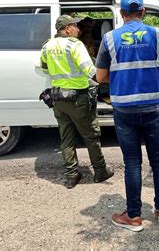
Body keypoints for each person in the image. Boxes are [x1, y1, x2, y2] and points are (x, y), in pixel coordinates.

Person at [95, 0, 159, 232]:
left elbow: (100, 77)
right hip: (153, 106)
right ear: (143, 12)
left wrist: (122, 77)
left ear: (121, 14)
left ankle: (134, 217)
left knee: (132, 162)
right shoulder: (158, 35)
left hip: (124, 109)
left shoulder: (110, 38)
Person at [40, 15, 114, 189]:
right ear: (67, 29)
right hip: (78, 99)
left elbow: (44, 68)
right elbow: (90, 70)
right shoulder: (75, 45)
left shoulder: (46, 46)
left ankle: (72, 175)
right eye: (75, 26)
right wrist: (110, 80)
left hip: (58, 99)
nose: (78, 29)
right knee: (91, 135)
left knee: (66, 137)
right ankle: (100, 170)